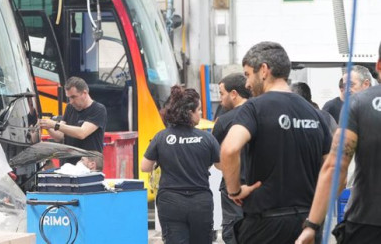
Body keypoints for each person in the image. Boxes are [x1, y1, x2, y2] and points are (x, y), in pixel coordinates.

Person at [220, 41, 332, 244]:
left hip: (266, 226)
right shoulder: (315, 114)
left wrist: (234, 190)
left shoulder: (253, 108)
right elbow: (331, 170)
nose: (246, 84)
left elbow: (229, 149)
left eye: (247, 74)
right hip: (307, 225)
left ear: (263, 70)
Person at [296, 42, 381, 244]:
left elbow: (335, 166)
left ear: (378, 65)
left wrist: (312, 225)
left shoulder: (359, 104)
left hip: (367, 223)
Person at [141, 85, 220, 244]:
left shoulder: (161, 137)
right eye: (198, 110)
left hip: (170, 201)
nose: (200, 114)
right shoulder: (207, 138)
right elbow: (221, 165)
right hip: (200, 201)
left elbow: (145, 167)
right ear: (189, 112)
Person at [212, 73, 250, 244]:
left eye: (222, 93)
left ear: (233, 93)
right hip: (261, 188)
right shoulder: (264, 113)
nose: (221, 99)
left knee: (233, 234)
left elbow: (215, 158)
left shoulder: (224, 121)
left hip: (232, 193)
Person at [38, 76, 107, 164]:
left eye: (74, 97)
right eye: (69, 98)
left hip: (88, 166)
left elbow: (82, 133)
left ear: (84, 93)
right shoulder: (70, 108)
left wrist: (55, 125)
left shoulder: (98, 109)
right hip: (68, 164)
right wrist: (47, 126)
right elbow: (59, 136)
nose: (71, 101)